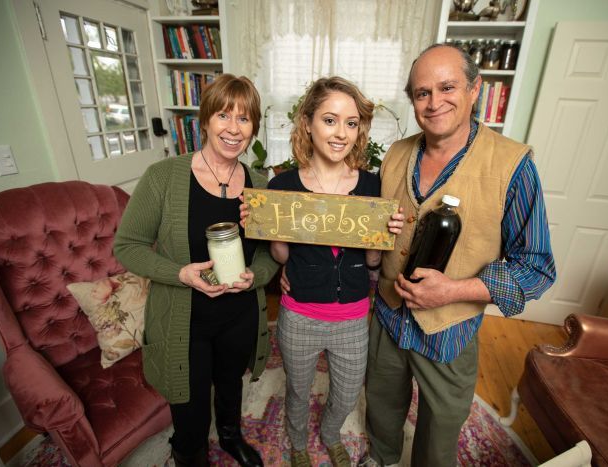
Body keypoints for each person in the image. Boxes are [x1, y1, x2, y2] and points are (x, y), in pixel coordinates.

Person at [358, 44, 556, 467]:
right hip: (389, 315)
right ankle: (382, 457)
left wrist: (455, 291)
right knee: (381, 402)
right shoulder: (394, 155)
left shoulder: (512, 164)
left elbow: (537, 265)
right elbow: (372, 231)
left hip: (449, 329)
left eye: (447, 87)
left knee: (441, 428)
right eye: (422, 92)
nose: (434, 103)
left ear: (474, 89)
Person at [114, 74, 279, 467]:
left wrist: (256, 275)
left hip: (239, 315)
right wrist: (181, 274)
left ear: (254, 127)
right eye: (224, 115)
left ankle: (229, 436)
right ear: (205, 120)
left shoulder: (260, 183)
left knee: (229, 386)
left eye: (244, 119)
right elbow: (127, 246)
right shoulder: (164, 177)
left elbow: (271, 255)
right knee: (188, 406)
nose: (234, 128)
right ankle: (189, 452)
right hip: (184, 320)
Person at [262, 77, 404, 467]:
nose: (341, 133)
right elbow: (279, 255)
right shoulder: (283, 186)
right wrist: (271, 228)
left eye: (352, 123)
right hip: (300, 315)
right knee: (297, 389)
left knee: (345, 393)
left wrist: (382, 236)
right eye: (330, 120)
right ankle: (296, 444)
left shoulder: (374, 186)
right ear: (307, 123)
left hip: (353, 317)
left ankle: (329, 434)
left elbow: (373, 264)